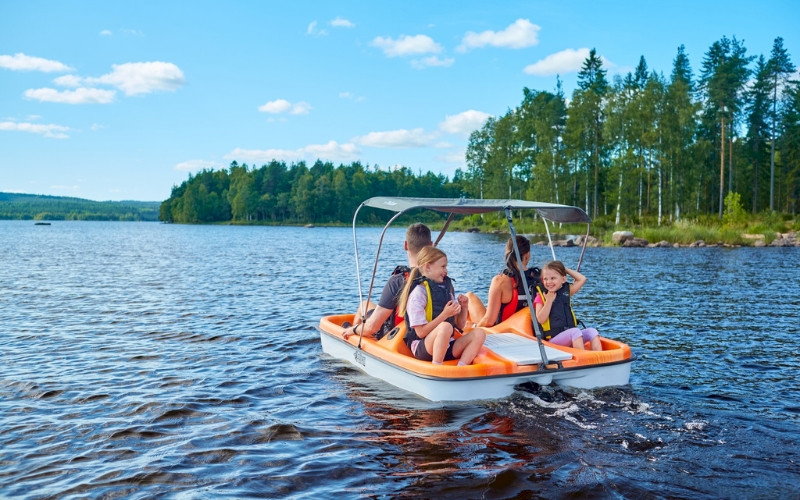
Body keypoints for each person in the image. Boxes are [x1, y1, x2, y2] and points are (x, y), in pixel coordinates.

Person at [396, 246, 486, 365]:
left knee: (479, 333)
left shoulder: (446, 290)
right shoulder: (419, 294)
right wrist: (444, 314)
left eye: (446, 266)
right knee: (445, 327)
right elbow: (420, 333)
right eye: (443, 266)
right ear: (427, 267)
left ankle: (461, 368)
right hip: (424, 347)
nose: (446, 271)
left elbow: (459, 325)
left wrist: (464, 307)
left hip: (446, 344)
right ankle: (437, 367)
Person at [342, 223, 432, 340]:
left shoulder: (398, 281)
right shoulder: (440, 277)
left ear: (405, 245)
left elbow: (372, 327)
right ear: (431, 245)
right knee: (365, 305)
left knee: (363, 306)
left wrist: (352, 330)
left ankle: (353, 336)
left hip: (397, 337)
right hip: (429, 336)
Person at [467, 235, 540, 327]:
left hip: (504, 331)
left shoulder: (500, 280)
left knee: (469, 296)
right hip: (529, 330)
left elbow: (489, 321)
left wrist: (473, 329)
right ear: (527, 255)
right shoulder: (541, 278)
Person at [534, 260, 602, 351]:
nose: (549, 282)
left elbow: (582, 279)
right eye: (545, 279)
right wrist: (549, 301)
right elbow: (541, 319)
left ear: (563, 279)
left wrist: (564, 269)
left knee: (592, 332)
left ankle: (598, 357)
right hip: (552, 341)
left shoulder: (567, 291)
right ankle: (582, 359)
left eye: (553, 278)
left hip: (570, 335)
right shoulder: (540, 296)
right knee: (575, 332)